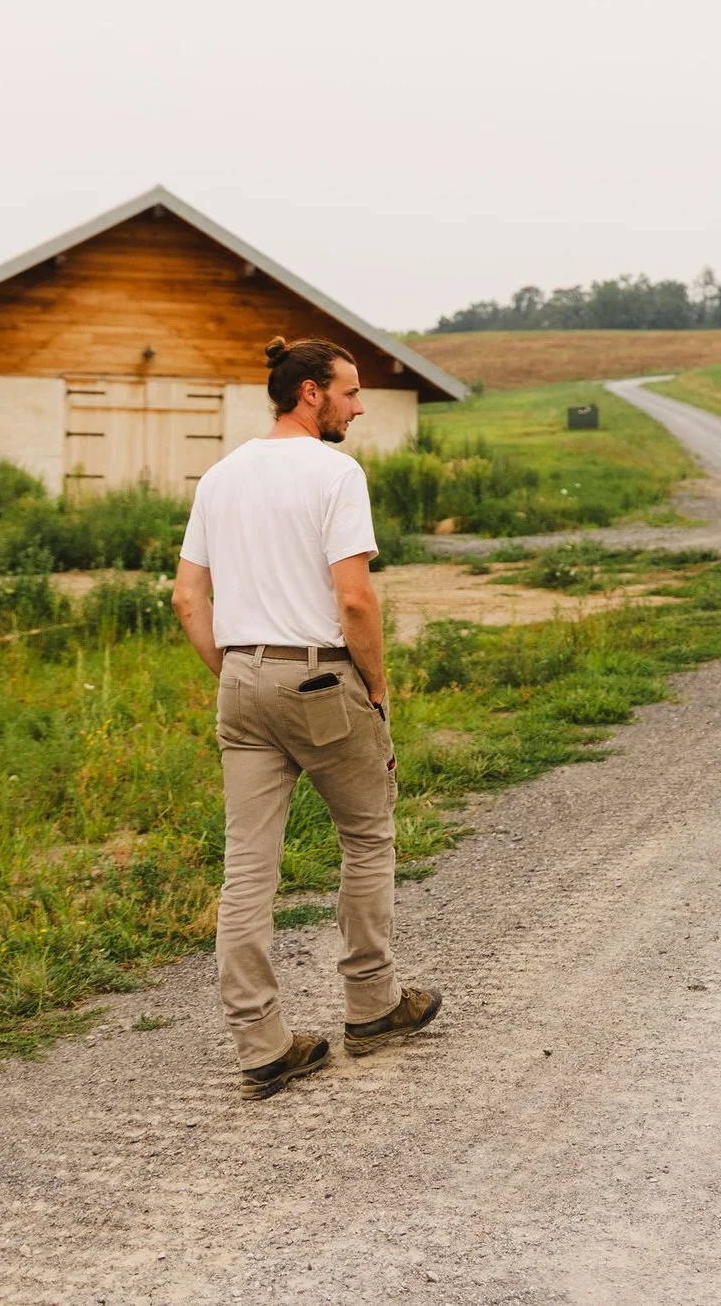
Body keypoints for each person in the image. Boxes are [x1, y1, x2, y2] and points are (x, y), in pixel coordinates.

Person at [171, 336, 442, 1099]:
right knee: (367, 832)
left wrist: (238, 674)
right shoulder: (335, 472)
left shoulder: (220, 477)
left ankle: (262, 1044)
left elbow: (188, 599)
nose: (360, 407)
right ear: (310, 393)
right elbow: (354, 598)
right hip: (322, 678)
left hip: (242, 677)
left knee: (247, 863)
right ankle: (372, 1003)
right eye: (351, 393)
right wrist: (379, 690)